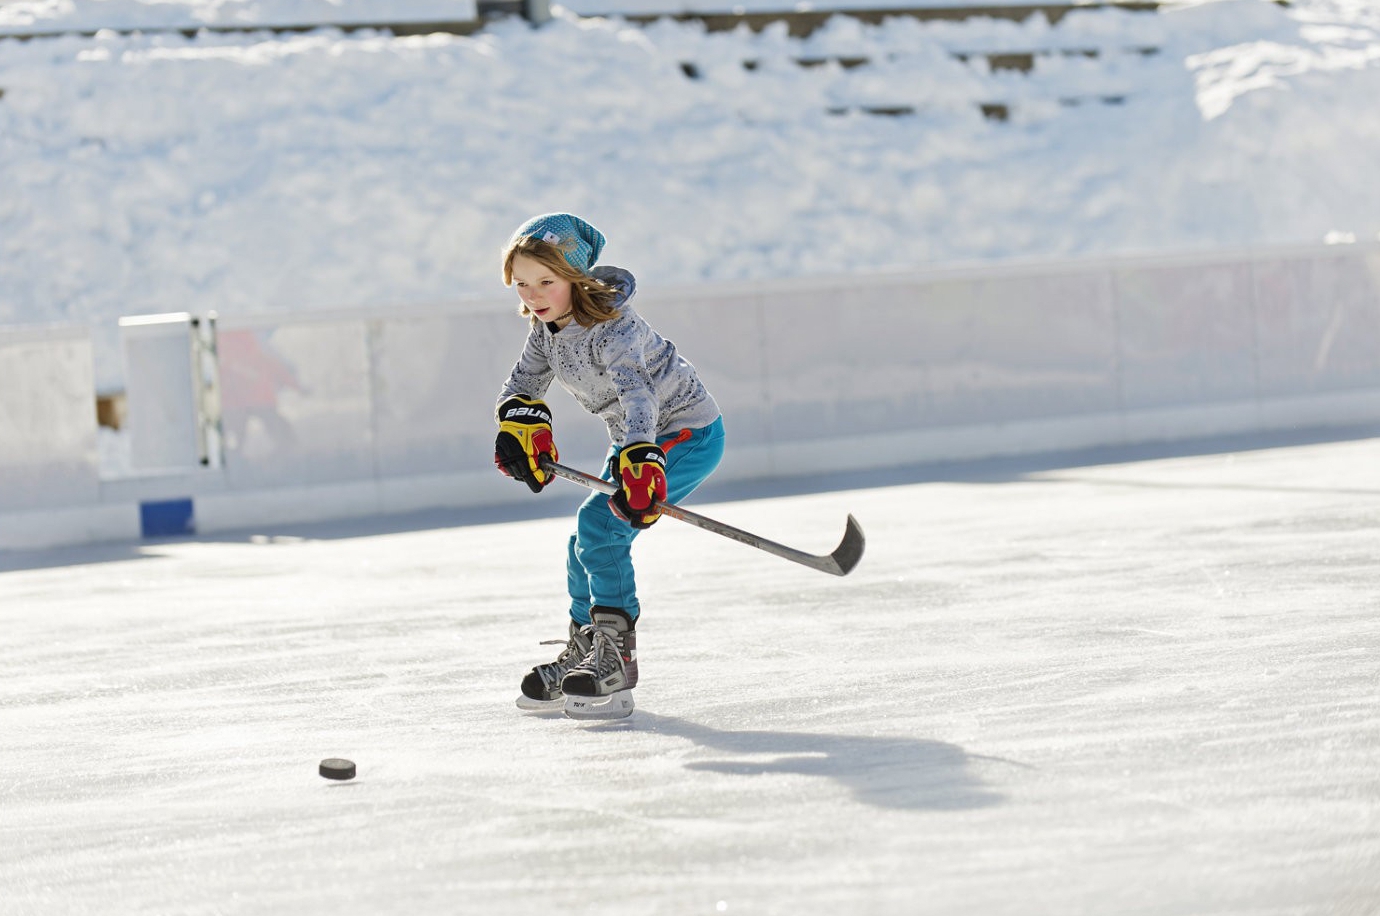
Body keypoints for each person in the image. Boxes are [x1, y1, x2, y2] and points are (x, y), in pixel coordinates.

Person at [493, 213, 725, 719]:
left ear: (574, 277)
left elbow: (639, 396)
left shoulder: (612, 329)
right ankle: (585, 649)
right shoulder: (546, 330)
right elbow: (522, 385)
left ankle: (616, 663)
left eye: (546, 281)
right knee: (584, 541)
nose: (533, 294)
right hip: (633, 440)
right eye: (523, 282)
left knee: (602, 528)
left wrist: (642, 456)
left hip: (684, 433)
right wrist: (519, 425)